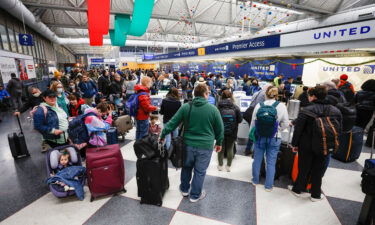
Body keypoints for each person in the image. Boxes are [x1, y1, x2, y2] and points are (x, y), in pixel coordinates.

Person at [160, 84, 224, 203]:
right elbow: (220, 129)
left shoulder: (186, 107)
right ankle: (195, 195)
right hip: (206, 146)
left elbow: (172, 123)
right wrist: (219, 142)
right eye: (208, 93)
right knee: (200, 172)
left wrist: (163, 134)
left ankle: (184, 189)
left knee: (186, 167)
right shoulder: (213, 109)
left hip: (188, 144)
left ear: (194, 94)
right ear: (205, 94)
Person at [289, 86, 342, 202]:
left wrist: (294, 144)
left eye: (309, 95)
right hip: (325, 144)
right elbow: (339, 129)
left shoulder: (307, 110)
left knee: (303, 168)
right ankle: (315, 195)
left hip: (306, 144)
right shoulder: (335, 110)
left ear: (313, 96)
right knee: (318, 169)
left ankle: (298, 189)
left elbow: (299, 130)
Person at [250, 86, 289, 191]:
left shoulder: (259, 105)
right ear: (277, 95)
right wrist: (279, 129)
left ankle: (255, 180)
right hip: (275, 137)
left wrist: (252, 135)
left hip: (260, 136)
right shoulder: (281, 106)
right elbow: (286, 123)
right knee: (271, 161)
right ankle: (268, 186)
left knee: (257, 159)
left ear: (265, 94)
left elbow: (253, 123)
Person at [217, 90, 242, 172]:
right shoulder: (235, 107)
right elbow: (240, 120)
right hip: (232, 131)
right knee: (230, 148)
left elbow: (216, 120)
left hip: (221, 131)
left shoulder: (219, 106)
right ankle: (228, 166)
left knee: (220, 148)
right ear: (231, 96)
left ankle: (220, 165)